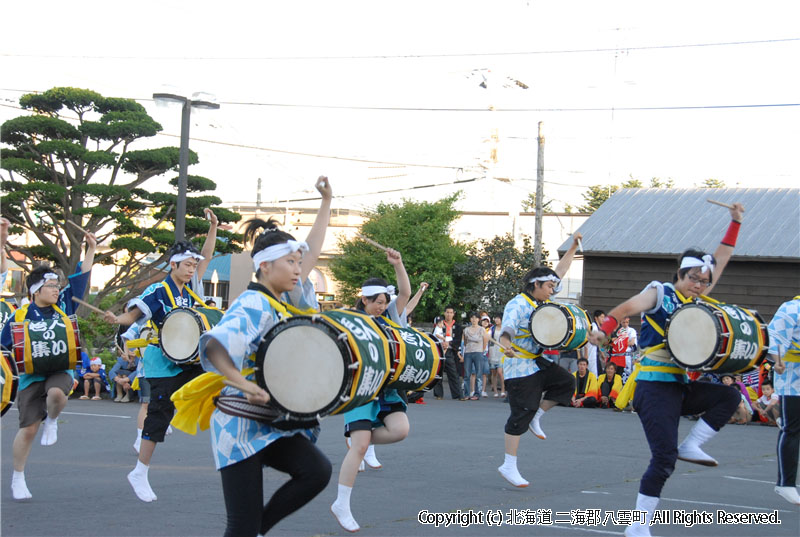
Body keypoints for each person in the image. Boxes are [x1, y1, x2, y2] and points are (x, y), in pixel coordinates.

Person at [184, 177, 333, 536]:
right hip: (238, 426)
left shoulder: (282, 302)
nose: (299, 268)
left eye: (299, 262)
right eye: (291, 262)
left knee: (317, 472)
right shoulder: (253, 302)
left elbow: (310, 251)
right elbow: (215, 347)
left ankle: (253, 532)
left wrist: (326, 202)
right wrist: (243, 385)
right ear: (265, 266)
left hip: (271, 424)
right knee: (241, 524)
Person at [587, 202, 744, 537]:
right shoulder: (661, 292)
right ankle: (638, 526)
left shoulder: (697, 301)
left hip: (680, 386)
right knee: (663, 459)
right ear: (680, 275)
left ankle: (693, 445)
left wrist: (735, 223)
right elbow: (629, 307)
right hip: (654, 388)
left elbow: (723, 258)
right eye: (694, 278)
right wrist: (605, 329)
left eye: (704, 281)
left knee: (729, 396)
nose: (699, 284)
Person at [103, 209, 219, 502]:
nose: (193, 268)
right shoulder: (158, 291)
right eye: (189, 264)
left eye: (195, 264)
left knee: (220, 380)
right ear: (174, 264)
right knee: (157, 419)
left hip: (189, 360)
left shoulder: (190, 288)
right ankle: (139, 472)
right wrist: (117, 320)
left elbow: (207, 253)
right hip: (161, 365)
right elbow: (133, 315)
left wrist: (213, 227)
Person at [2, 229, 96, 500]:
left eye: (57, 286)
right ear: (35, 291)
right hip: (31, 376)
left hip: (60, 369)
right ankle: (18, 477)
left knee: (57, 394)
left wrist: (90, 249)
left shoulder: (64, 305)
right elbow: (2, 348)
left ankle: (52, 419)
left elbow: (81, 279)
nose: (57, 290)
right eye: (52, 286)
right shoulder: (18, 317)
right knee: (28, 429)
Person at [331, 247, 411, 533]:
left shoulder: (389, 318)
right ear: (363, 300)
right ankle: (342, 502)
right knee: (361, 444)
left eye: (384, 302)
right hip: (359, 390)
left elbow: (404, 293)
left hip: (386, 388)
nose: (382, 306)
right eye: (377, 301)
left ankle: (357, 441)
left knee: (400, 430)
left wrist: (398, 264)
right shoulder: (350, 321)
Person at [496, 233, 582, 488]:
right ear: (535, 285)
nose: (553, 289)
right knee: (520, 412)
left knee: (566, 383)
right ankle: (508, 464)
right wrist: (506, 344)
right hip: (519, 365)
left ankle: (538, 415)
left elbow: (559, 272)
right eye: (549, 287)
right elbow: (507, 330)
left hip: (537, 360)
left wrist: (573, 248)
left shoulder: (544, 301)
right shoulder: (518, 304)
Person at [766, 295, 800, 505]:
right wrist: (776, 360)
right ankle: (785, 484)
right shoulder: (792, 308)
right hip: (794, 377)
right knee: (792, 428)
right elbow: (774, 340)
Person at [432, 306, 465, 400]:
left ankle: (458, 394)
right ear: (444, 313)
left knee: (453, 373)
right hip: (440, 351)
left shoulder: (457, 327)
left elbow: (458, 339)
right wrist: (441, 343)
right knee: (438, 372)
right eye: (447, 312)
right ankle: (438, 394)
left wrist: (449, 343)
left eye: (451, 312)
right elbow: (433, 336)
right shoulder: (439, 324)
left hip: (451, 351)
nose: (449, 314)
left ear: (454, 314)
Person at [462, 312, 488, 400]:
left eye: (475, 318)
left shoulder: (482, 329)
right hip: (468, 352)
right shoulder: (466, 330)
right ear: (470, 319)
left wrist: (482, 350)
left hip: (478, 352)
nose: (474, 320)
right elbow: (465, 342)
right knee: (467, 374)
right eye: (472, 318)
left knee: (479, 374)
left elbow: (485, 341)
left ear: (478, 319)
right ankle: (466, 393)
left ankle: (477, 394)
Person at [487, 315, 505, 397]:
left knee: (500, 372)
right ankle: (495, 391)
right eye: (496, 318)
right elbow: (488, 338)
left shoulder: (504, 329)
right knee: (494, 373)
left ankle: (503, 390)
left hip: (501, 353)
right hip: (493, 351)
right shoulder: (492, 329)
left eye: (498, 318)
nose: (497, 320)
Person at [585, 310, 607, 377]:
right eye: (601, 317)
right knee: (593, 374)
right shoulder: (593, 327)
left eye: (604, 317)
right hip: (591, 353)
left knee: (598, 373)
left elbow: (599, 343)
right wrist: (586, 354)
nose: (603, 319)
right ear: (596, 318)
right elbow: (587, 341)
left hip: (596, 354)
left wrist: (602, 354)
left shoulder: (598, 328)